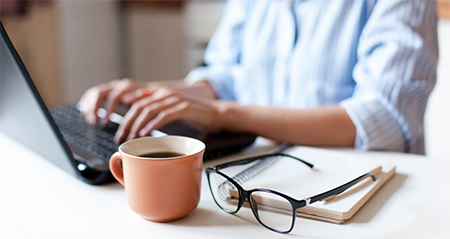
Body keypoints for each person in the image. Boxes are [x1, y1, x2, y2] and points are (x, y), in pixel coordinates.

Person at [80, 0, 438, 154]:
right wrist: (152, 95)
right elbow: (229, 78)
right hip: (263, 185)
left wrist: (226, 114)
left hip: (357, 197)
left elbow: (384, 121)